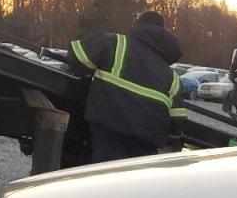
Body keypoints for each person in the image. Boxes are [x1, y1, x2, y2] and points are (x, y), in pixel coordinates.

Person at [68, 11, 186, 163]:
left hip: (109, 129)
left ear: (137, 26)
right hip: (146, 142)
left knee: (105, 175)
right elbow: (177, 121)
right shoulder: (173, 78)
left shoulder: (117, 43)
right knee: (131, 181)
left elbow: (77, 56)